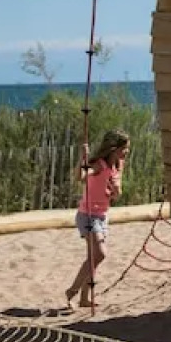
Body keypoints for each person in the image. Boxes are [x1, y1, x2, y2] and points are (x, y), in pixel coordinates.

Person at [64, 129, 131, 309]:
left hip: (102, 215)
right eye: (124, 148)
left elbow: (115, 194)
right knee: (99, 254)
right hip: (88, 215)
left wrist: (115, 191)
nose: (126, 152)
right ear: (113, 148)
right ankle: (72, 291)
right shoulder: (99, 165)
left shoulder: (118, 165)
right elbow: (80, 177)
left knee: (93, 257)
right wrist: (83, 158)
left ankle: (85, 298)